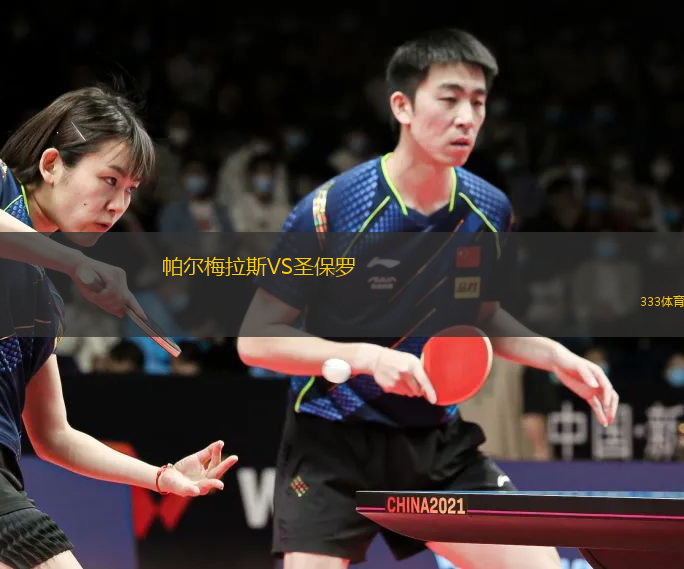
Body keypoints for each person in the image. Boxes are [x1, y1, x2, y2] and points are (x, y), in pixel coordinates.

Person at [237, 29, 618, 569]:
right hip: (332, 440)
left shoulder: (489, 210)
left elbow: (478, 313)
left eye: (478, 102)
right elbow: (256, 341)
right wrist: (368, 358)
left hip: (436, 442)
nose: (467, 117)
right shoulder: (333, 210)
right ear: (403, 107)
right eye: (450, 98)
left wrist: (554, 356)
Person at [0, 86, 238, 569]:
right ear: (51, 164)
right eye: (109, 180)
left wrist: (159, 476)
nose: (118, 204)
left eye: (130, 190)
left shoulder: (44, 299)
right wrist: (73, 263)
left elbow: (54, 436)